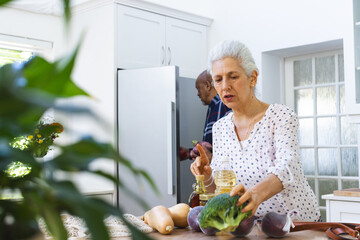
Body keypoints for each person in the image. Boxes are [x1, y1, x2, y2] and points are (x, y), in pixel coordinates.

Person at [190, 40, 321, 221]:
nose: (225, 86)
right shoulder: (220, 128)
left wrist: (257, 193)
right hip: (252, 228)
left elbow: (288, 166)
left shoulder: (280, 116)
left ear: (252, 78)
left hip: (297, 225)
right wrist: (207, 176)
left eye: (233, 76)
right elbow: (220, 190)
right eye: (218, 80)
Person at [179, 70, 231, 161]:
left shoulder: (223, 105)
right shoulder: (212, 108)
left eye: (198, 89)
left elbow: (228, 148)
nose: (198, 94)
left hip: (222, 172)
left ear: (207, 85)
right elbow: (210, 148)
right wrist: (188, 152)